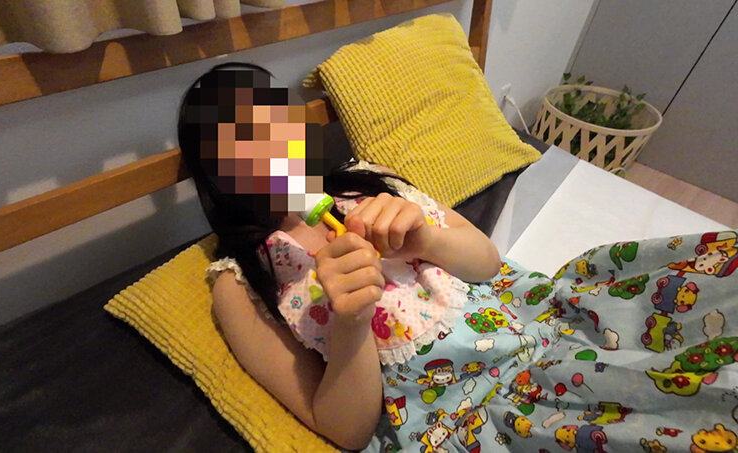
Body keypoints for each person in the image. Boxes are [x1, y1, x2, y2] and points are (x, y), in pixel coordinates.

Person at [180, 64, 738, 453]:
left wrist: (426, 239)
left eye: (280, 123)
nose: (275, 150)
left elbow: (487, 263)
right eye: (243, 143)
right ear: (216, 177)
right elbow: (343, 430)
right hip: (470, 414)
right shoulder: (240, 283)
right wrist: (351, 323)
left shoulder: (368, 181)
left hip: (540, 326)